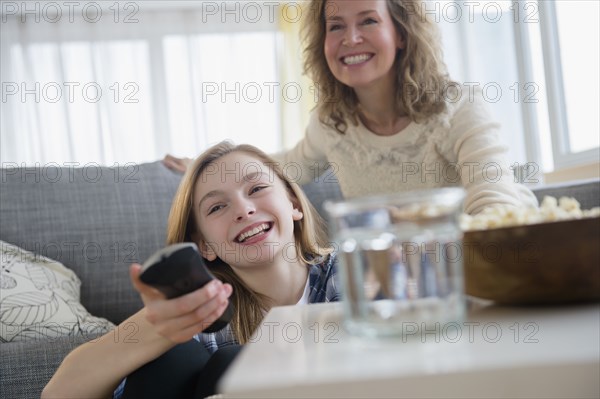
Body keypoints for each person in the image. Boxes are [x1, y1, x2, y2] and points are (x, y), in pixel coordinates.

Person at [165, 0, 538, 215]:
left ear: (402, 34)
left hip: (493, 261)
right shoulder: (332, 124)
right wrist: (206, 166)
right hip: (404, 285)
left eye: (368, 21)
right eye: (336, 26)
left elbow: (495, 197)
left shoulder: (458, 106)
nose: (351, 39)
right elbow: (286, 165)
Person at [42, 142, 339, 399]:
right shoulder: (203, 311)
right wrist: (158, 328)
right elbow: (58, 393)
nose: (243, 209)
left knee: (238, 363)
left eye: (257, 188)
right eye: (216, 207)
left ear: (294, 203)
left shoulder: (349, 273)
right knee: (177, 357)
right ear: (204, 246)